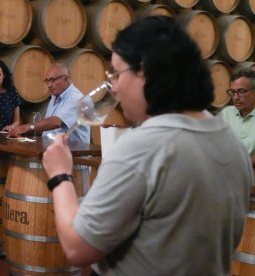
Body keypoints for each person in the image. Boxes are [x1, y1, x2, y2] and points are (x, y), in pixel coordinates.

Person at [42, 16, 252, 275]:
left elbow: (77, 247)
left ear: (145, 72)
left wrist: (60, 175)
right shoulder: (232, 143)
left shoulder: (141, 148)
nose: (114, 88)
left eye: (116, 74)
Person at [8, 63, 90, 143]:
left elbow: (56, 122)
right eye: (47, 81)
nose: (49, 85)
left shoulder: (76, 98)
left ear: (65, 79)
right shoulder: (55, 96)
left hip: (74, 153)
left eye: (53, 80)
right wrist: (18, 130)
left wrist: (27, 127)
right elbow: (49, 131)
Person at [220, 69, 255, 169]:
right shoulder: (226, 113)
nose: (235, 97)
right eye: (232, 92)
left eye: (241, 91)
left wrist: (242, 164)